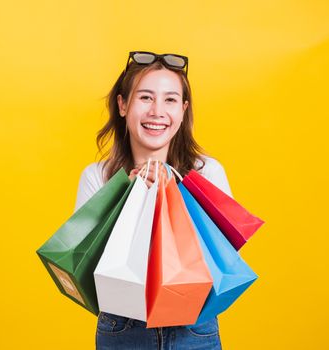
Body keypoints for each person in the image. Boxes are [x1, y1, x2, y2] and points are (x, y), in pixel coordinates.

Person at [74, 51, 233, 349]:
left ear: (183, 110)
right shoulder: (98, 176)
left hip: (194, 327)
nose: (157, 111)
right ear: (122, 105)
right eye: (145, 97)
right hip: (122, 327)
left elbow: (222, 258)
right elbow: (87, 269)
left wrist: (176, 196)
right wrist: (125, 198)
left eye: (170, 99)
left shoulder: (206, 172)